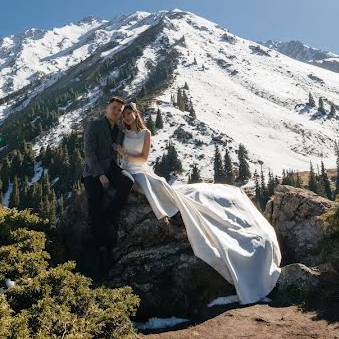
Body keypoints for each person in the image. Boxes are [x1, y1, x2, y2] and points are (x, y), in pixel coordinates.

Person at [113, 102, 281, 304]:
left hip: (140, 169)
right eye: (124, 115)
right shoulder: (122, 134)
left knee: (156, 185)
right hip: (127, 171)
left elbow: (143, 158)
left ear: (135, 114)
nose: (127, 117)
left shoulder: (145, 133)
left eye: (129, 114)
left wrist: (124, 154)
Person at [82, 96, 135, 269]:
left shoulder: (118, 129)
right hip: (93, 170)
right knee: (94, 203)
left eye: (119, 110)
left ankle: (110, 216)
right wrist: (100, 175)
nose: (116, 112)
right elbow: (89, 153)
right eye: (114, 108)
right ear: (107, 108)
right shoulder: (94, 125)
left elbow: (122, 145)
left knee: (127, 182)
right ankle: (100, 246)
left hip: (111, 166)